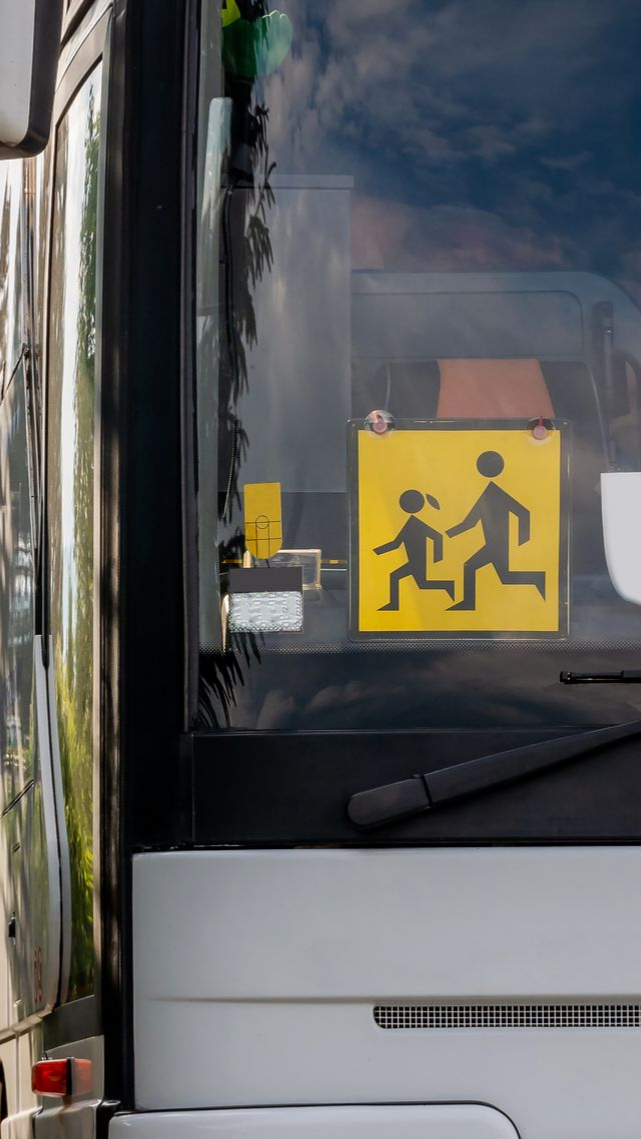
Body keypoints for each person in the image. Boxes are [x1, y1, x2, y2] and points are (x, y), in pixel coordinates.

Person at [447, 450, 545, 611]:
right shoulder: (487, 494)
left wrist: (523, 538)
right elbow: (470, 522)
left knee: (470, 566)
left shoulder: (496, 494)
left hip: (497, 545)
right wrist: (450, 533)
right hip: (494, 544)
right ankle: (538, 579)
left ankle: (469, 602)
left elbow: (523, 513)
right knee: (505, 576)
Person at [374, 489, 455, 610]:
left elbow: (437, 537)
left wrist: (437, 556)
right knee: (408, 580)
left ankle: (449, 586)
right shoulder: (409, 524)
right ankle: (448, 586)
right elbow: (396, 544)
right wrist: (377, 551)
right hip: (413, 561)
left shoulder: (417, 524)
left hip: (418, 562)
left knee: (403, 579)